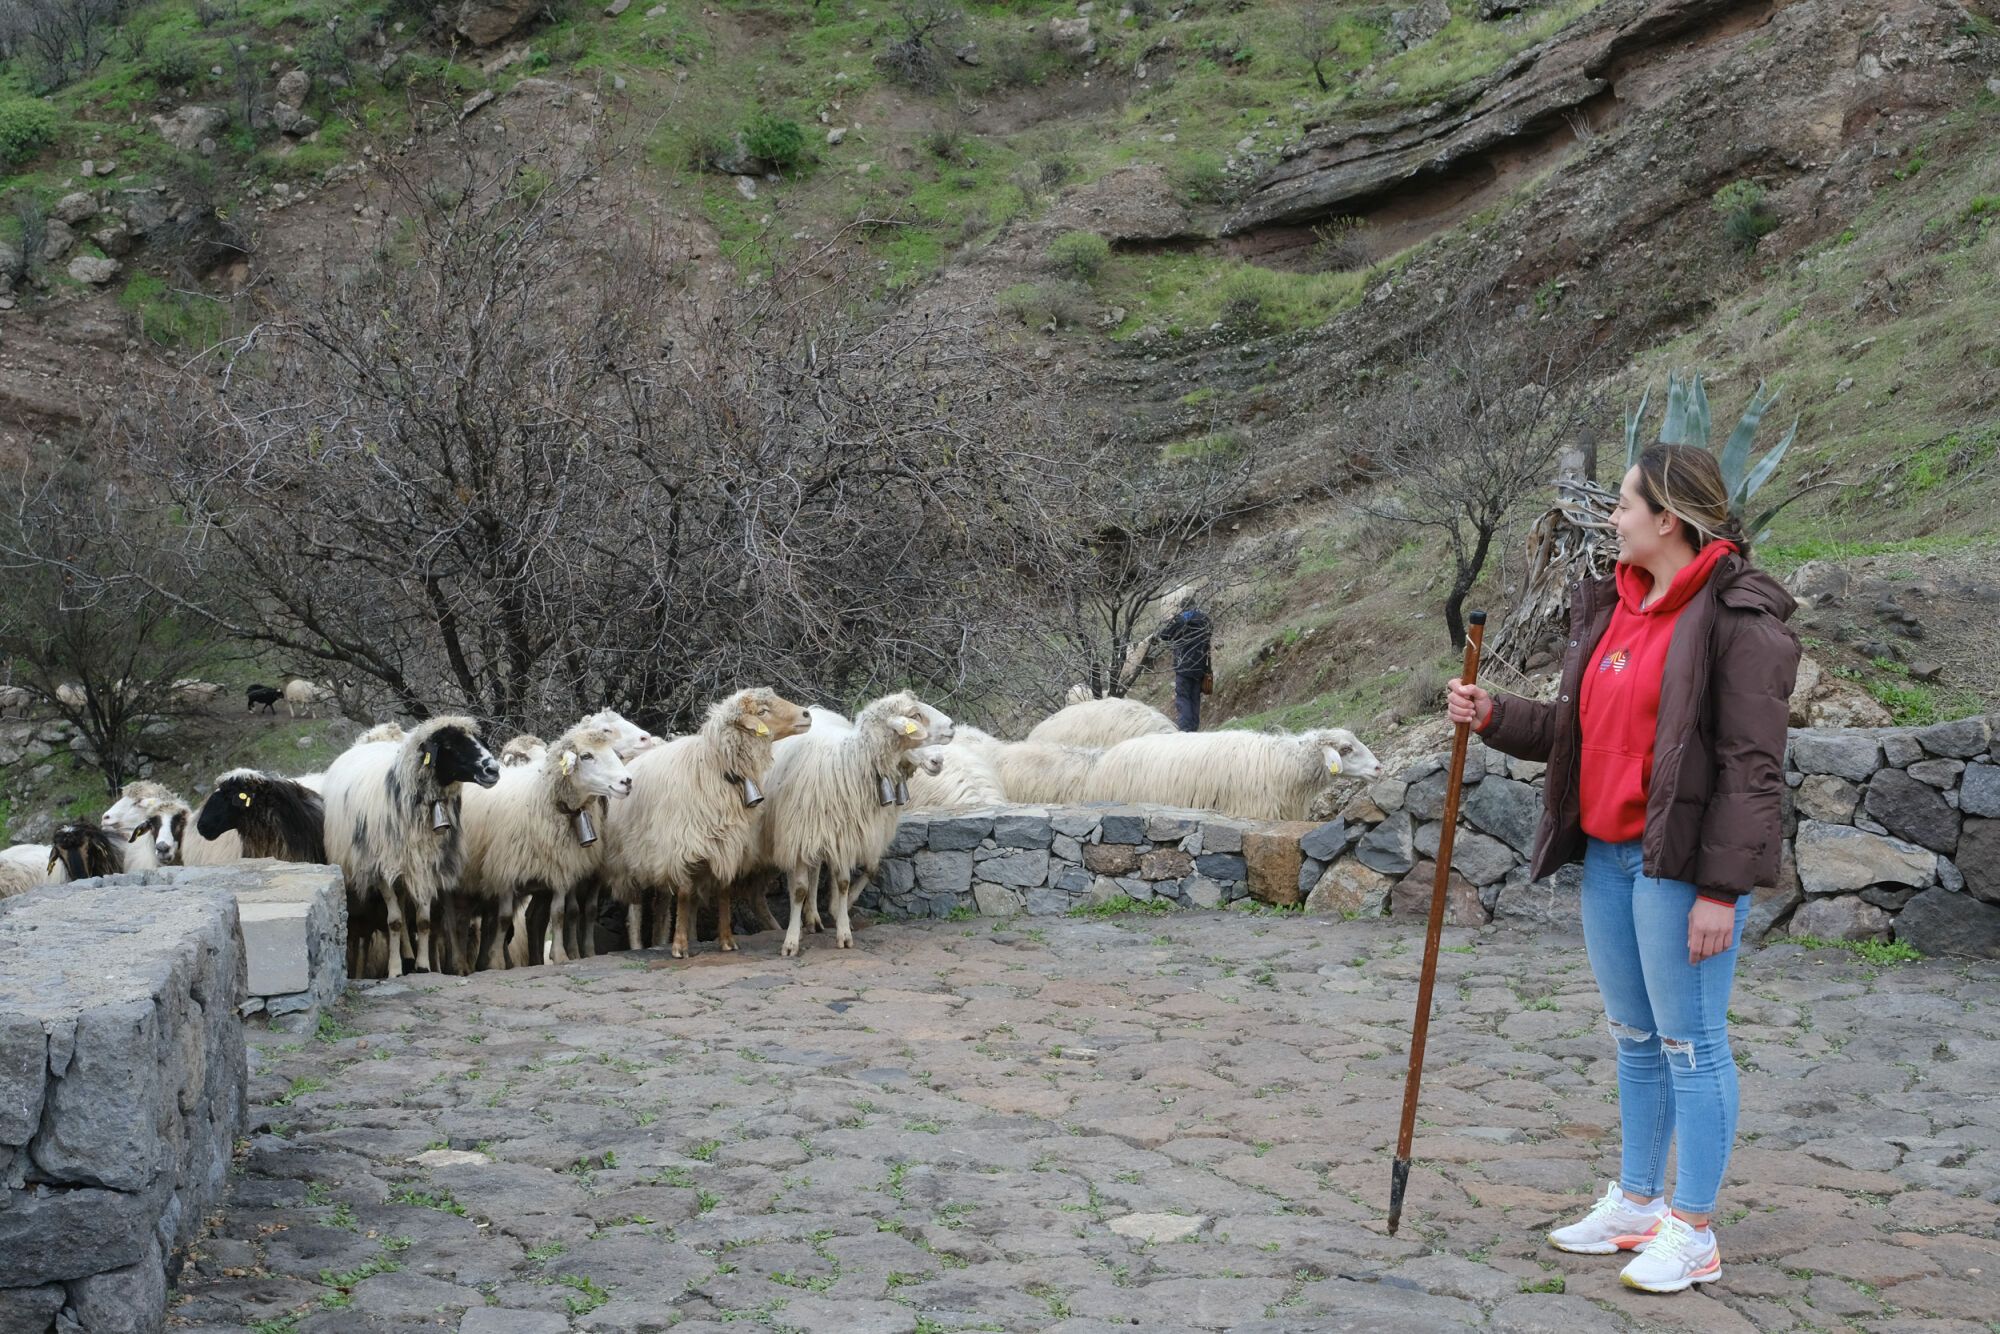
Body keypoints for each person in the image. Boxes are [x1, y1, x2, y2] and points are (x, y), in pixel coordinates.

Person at [1445, 444, 1800, 1295]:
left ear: (1667, 519)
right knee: (1636, 1038)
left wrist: (1721, 891)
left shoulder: (1739, 620)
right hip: (1609, 858)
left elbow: (1752, 770)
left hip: (1678, 866)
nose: (1612, 518)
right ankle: (1639, 1201)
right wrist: (1495, 714)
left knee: (1692, 1044)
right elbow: (1581, 732)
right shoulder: (1616, 605)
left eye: (1625, 505)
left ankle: (1695, 1230)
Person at [1157, 605, 1213, 731]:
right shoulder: (1204, 619)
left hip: (1183, 667)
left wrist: (1172, 620)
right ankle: (1193, 729)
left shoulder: (1180, 620)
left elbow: (1164, 635)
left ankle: (1185, 730)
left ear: (1182, 608)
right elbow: (1210, 630)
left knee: (1183, 699)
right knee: (1195, 699)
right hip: (1199, 667)